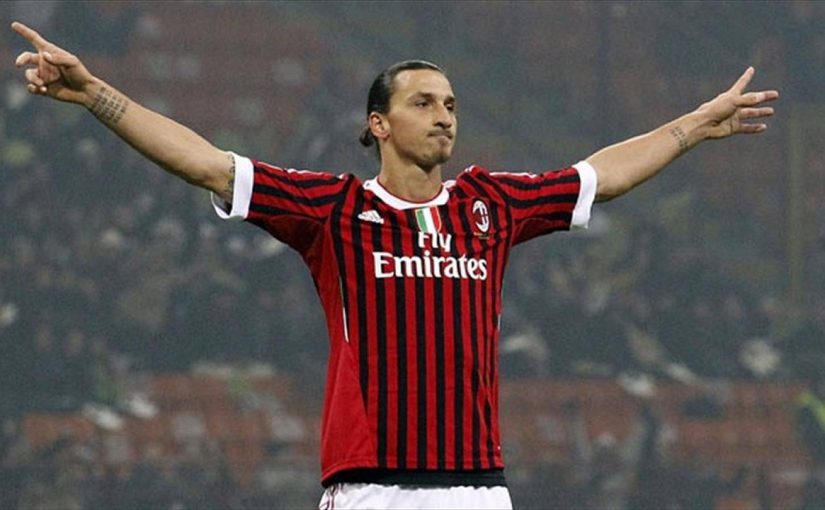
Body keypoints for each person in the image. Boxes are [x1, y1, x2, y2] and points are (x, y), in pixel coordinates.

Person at [11, 21, 778, 510]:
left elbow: (598, 177)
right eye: (423, 102)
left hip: (478, 488)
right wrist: (97, 96)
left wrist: (690, 127)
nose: (443, 114)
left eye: (450, 103)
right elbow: (207, 163)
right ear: (377, 123)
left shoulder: (490, 204)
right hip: (370, 487)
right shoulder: (333, 211)